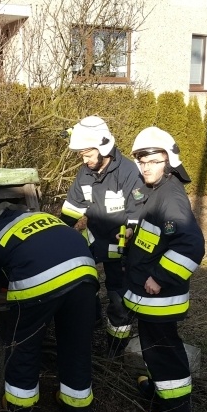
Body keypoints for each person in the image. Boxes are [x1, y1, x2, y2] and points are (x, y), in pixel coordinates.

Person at [114, 126, 206, 412]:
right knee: (154, 348)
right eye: (141, 160)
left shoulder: (171, 197)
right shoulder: (152, 190)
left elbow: (191, 245)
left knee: (165, 351)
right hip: (148, 294)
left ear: (169, 161)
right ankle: (160, 387)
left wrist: (160, 277)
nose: (145, 166)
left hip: (160, 297)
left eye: (153, 160)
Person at [0, 202, 99, 412]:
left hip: (39, 283)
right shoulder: (42, 217)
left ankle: (20, 410)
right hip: (85, 275)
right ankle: (78, 411)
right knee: (77, 345)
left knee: (24, 344)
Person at [59, 115, 143, 353]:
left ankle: (115, 349)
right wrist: (58, 233)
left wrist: (130, 231)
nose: (83, 160)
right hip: (95, 239)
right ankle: (91, 320)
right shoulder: (85, 173)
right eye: (81, 155)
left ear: (103, 148)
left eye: (87, 154)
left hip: (122, 245)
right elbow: (72, 208)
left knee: (118, 298)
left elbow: (138, 210)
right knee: (81, 281)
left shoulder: (128, 172)